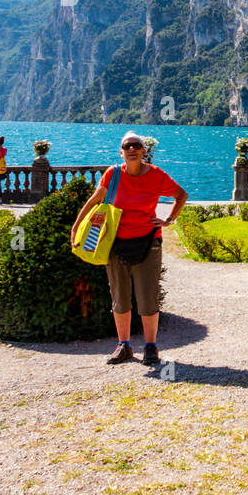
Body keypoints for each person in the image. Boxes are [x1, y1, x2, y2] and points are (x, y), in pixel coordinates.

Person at [70, 131, 188, 366]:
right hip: (115, 242)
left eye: (136, 145)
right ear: (121, 152)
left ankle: (151, 347)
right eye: (127, 146)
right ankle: (123, 346)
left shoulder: (156, 176)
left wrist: (168, 220)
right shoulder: (112, 174)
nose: (132, 149)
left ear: (144, 151)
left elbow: (181, 195)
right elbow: (93, 201)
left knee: (148, 297)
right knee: (120, 297)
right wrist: (76, 228)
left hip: (148, 242)